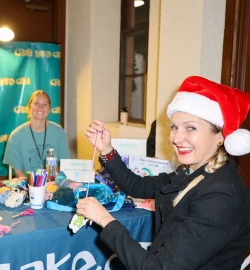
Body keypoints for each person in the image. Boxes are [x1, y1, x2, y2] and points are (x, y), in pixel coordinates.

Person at [77, 76, 250, 269]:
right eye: (175, 127)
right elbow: (139, 186)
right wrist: (106, 150)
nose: (176, 138)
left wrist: (105, 219)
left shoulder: (221, 196)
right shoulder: (193, 171)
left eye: (191, 128)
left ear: (220, 136)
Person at [3, 90, 69, 178]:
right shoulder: (16, 136)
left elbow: (63, 166)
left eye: (45, 104)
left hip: (53, 186)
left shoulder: (59, 132)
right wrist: (33, 187)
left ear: (49, 108)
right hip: (28, 186)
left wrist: (52, 184)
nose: (40, 108)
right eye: (36, 103)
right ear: (29, 107)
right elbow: (18, 171)